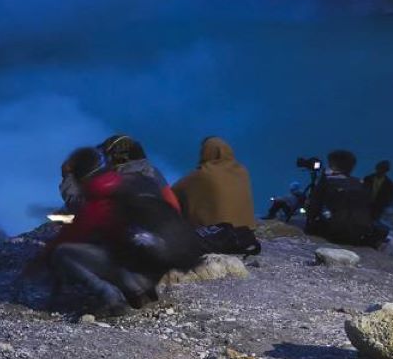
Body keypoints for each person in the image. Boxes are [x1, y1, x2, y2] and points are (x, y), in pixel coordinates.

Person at [44, 146, 200, 318]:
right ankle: (144, 287)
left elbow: (76, 231)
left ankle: (112, 296)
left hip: (144, 259)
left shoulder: (101, 193)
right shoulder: (146, 179)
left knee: (64, 253)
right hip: (175, 254)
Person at [304, 149, 384, 247]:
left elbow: (313, 208)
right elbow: (372, 209)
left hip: (336, 233)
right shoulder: (361, 183)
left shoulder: (328, 182)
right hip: (360, 233)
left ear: (332, 165)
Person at [172, 137, 256, 229]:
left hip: (215, 232)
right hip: (246, 231)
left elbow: (174, 191)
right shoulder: (242, 172)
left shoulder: (204, 173)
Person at [99, 135, 181, 209]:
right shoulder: (152, 171)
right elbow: (173, 206)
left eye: (107, 157)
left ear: (116, 157)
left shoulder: (119, 181)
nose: (106, 162)